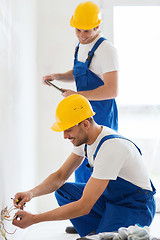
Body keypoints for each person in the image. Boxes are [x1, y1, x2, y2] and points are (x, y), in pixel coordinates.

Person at [13, 94, 156, 239]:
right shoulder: (86, 140)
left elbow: (84, 205)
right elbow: (60, 176)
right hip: (111, 197)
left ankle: (103, 232)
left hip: (135, 206)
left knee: (107, 236)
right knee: (63, 191)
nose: (64, 136)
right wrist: (31, 193)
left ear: (85, 124)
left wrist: (35, 219)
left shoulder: (111, 148)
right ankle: (96, 231)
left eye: (68, 129)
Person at [42, 1, 119, 185]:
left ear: (97, 26)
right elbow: (79, 72)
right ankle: (83, 208)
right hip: (82, 113)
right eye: (78, 30)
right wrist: (58, 76)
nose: (82, 35)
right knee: (82, 162)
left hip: (100, 115)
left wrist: (78, 96)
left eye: (87, 31)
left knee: (98, 166)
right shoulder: (81, 46)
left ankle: (95, 209)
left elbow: (112, 90)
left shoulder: (106, 50)